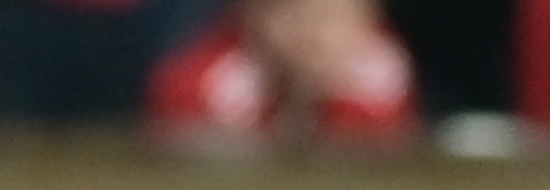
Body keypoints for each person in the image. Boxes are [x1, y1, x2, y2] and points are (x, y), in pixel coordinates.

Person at [149, 0, 420, 137]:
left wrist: (321, 102)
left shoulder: (383, 75)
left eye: (326, 17)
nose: (309, 34)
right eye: (288, 13)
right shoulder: (210, 79)